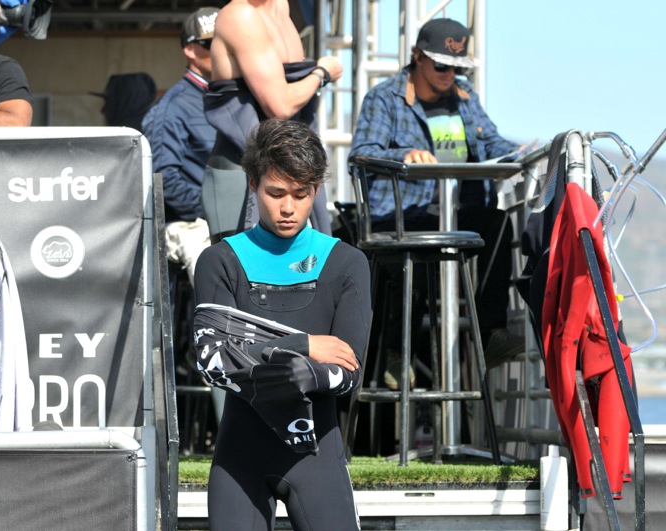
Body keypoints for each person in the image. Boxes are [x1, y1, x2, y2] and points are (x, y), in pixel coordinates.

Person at [193, 118, 370, 531]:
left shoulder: (346, 262)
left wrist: (260, 355)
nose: (288, 208)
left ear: (316, 191)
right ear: (253, 183)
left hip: (318, 460)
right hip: (240, 459)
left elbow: (348, 373)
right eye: (275, 193)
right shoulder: (220, 260)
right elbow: (212, 361)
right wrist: (304, 347)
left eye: (301, 194)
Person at [349, 17, 524, 385]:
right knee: (416, 251)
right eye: (442, 66)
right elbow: (361, 155)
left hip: (456, 213)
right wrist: (403, 155)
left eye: (457, 67)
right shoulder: (385, 98)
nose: (450, 75)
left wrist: (521, 153)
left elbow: (493, 143)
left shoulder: (465, 96)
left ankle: (490, 335)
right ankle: (399, 355)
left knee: (497, 225)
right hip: (401, 214)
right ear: (417, 57)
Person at [201, 0, 344, 242]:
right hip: (241, 173)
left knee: (306, 261)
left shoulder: (280, 6)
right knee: (240, 264)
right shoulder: (239, 15)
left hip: (289, 169)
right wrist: (321, 74)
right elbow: (280, 105)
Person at [142, 7, 218, 286]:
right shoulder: (172, 108)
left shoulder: (235, 99)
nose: (221, 50)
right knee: (218, 275)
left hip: (237, 218)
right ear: (190, 49)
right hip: (190, 223)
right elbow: (162, 181)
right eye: (211, 44)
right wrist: (215, 208)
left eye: (228, 43)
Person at [92, 72, 157, 132]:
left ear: (126, 104)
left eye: (111, 102)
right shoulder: (153, 132)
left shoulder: (129, 136)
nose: (102, 110)